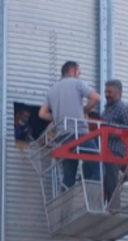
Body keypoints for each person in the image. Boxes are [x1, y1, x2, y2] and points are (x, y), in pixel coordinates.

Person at [39, 61, 102, 191]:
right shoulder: (77, 84)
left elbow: (42, 114)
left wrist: (57, 118)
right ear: (72, 71)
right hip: (79, 134)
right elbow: (96, 98)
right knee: (98, 168)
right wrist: (85, 110)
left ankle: (64, 210)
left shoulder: (52, 90)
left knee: (69, 176)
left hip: (63, 138)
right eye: (79, 72)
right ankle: (92, 201)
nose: (79, 75)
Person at [101, 79, 128, 201]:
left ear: (118, 93)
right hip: (103, 150)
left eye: (109, 92)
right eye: (105, 92)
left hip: (115, 151)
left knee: (110, 178)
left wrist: (111, 131)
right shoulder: (106, 110)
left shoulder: (123, 108)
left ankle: (113, 206)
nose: (106, 94)